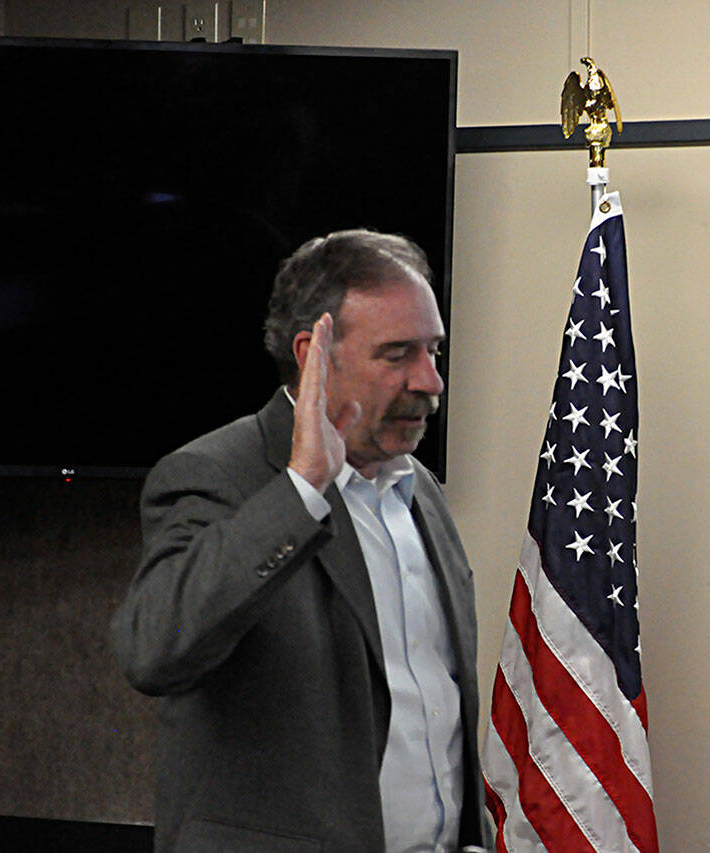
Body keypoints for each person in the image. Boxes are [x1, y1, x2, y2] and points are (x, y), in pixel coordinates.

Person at [111, 229, 489, 852]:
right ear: (316, 353)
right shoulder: (213, 474)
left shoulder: (419, 488)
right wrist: (302, 489)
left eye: (434, 352)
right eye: (397, 355)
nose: (431, 381)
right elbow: (153, 649)